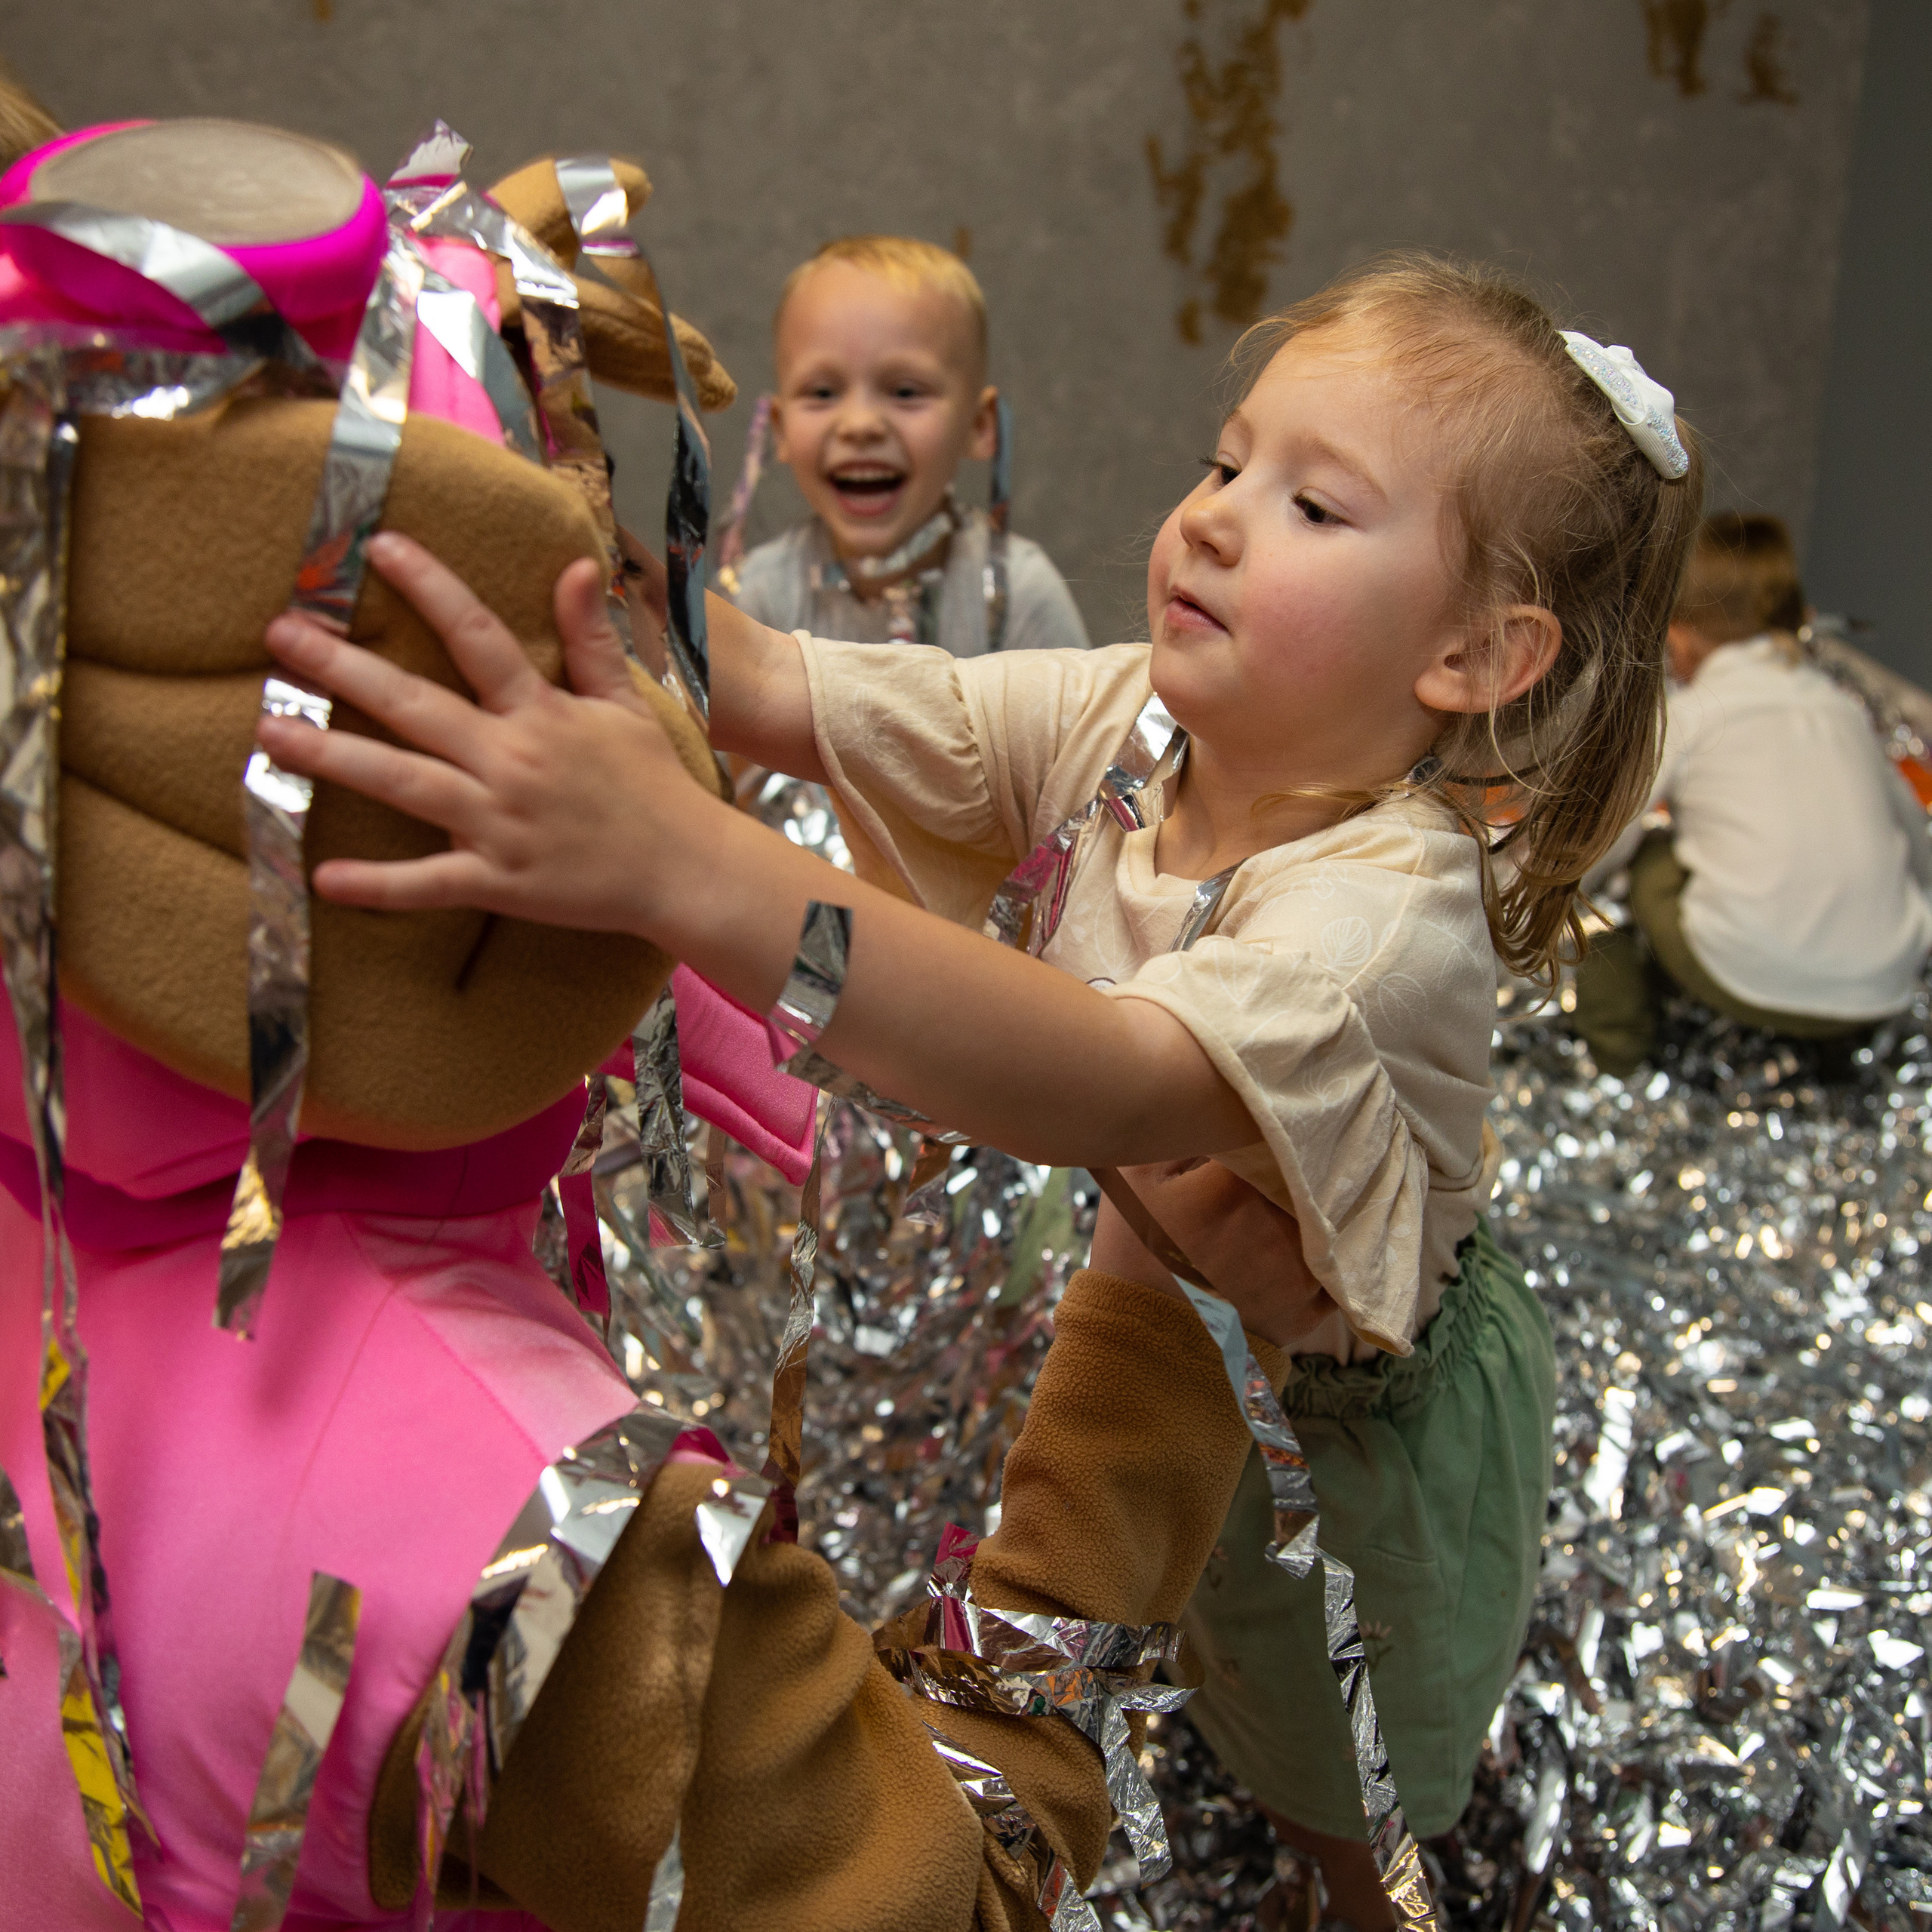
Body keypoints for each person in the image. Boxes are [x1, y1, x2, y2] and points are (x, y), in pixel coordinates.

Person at [257, 254, 1703, 1927]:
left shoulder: (1388, 911)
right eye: (1225, 462)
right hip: (1151, 1331)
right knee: (1135, 1631)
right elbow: (788, 686)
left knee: (1325, 1762)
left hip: (1343, 1444)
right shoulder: (1129, 720)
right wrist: (514, 511)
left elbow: (1110, 1081)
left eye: (1312, 504)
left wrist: (684, 862)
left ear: (1470, 651)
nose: (1216, 518)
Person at [1571, 512, 1932, 1078]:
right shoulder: (1840, 709)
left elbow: (1609, 832)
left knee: (1640, 866)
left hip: (1753, 976)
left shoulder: (1691, 713)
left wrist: (1549, 900)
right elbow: (1913, 829)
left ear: (1678, 639)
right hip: (1884, 981)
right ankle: (1830, 1056)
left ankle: (1618, 1052)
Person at [723, 234, 1090, 655]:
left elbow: (1086, 723)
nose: (860, 425)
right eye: (822, 393)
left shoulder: (1018, 597)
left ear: (979, 425)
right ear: (780, 429)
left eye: (905, 392)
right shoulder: (758, 599)